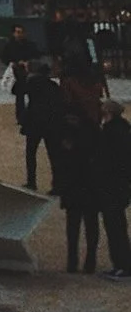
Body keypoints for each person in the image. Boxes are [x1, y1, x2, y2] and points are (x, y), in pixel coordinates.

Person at [54, 112, 104, 273]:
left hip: (74, 186)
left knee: (74, 226)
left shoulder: (66, 135)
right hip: (89, 186)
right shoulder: (94, 134)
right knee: (90, 225)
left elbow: (61, 163)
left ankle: (73, 261)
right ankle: (89, 261)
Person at [96, 101, 131, 278]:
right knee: (117, 226)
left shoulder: (110, 133)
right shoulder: (123, 131)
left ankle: (122, 264)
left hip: (112, 186)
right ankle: (120, 263)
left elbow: (106, 159)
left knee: (115, 228)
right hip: (120, 187)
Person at [21, 60, 64, 190]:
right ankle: (57, 184)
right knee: (53, 154)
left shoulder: (32, 82)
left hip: (34, 121)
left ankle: (31, 181)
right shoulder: (53, 86)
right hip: (50, 122)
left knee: (31, 153)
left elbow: (18, 90)